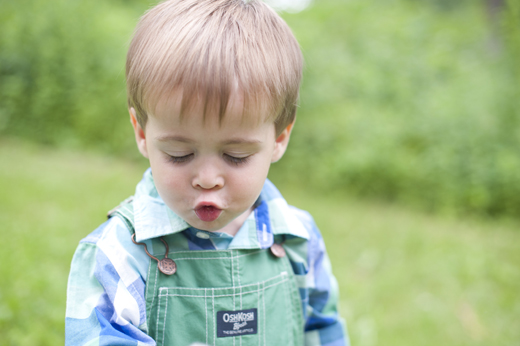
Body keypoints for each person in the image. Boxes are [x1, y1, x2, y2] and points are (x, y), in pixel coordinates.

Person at [65, 0, 348, 345]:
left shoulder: (298, 241)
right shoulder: (121, 253)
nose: (208, 178)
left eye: (236, 155)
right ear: (142, 133)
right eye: (179, 154)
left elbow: (324, 333)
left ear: (278, 139)